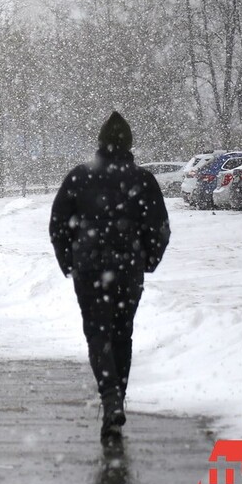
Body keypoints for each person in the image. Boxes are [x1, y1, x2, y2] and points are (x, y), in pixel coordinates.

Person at [48, 112, 170, 439]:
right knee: (122, 333)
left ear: (100, 142)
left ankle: (110, 396)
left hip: (89, 270)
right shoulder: (142, 180)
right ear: (129, 144)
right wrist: (147, 260)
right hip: (127, 270)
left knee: (98, 334)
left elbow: (58, 224)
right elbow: (158, 227)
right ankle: (119, 398)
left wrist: (69, 260)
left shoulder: (79, 177)